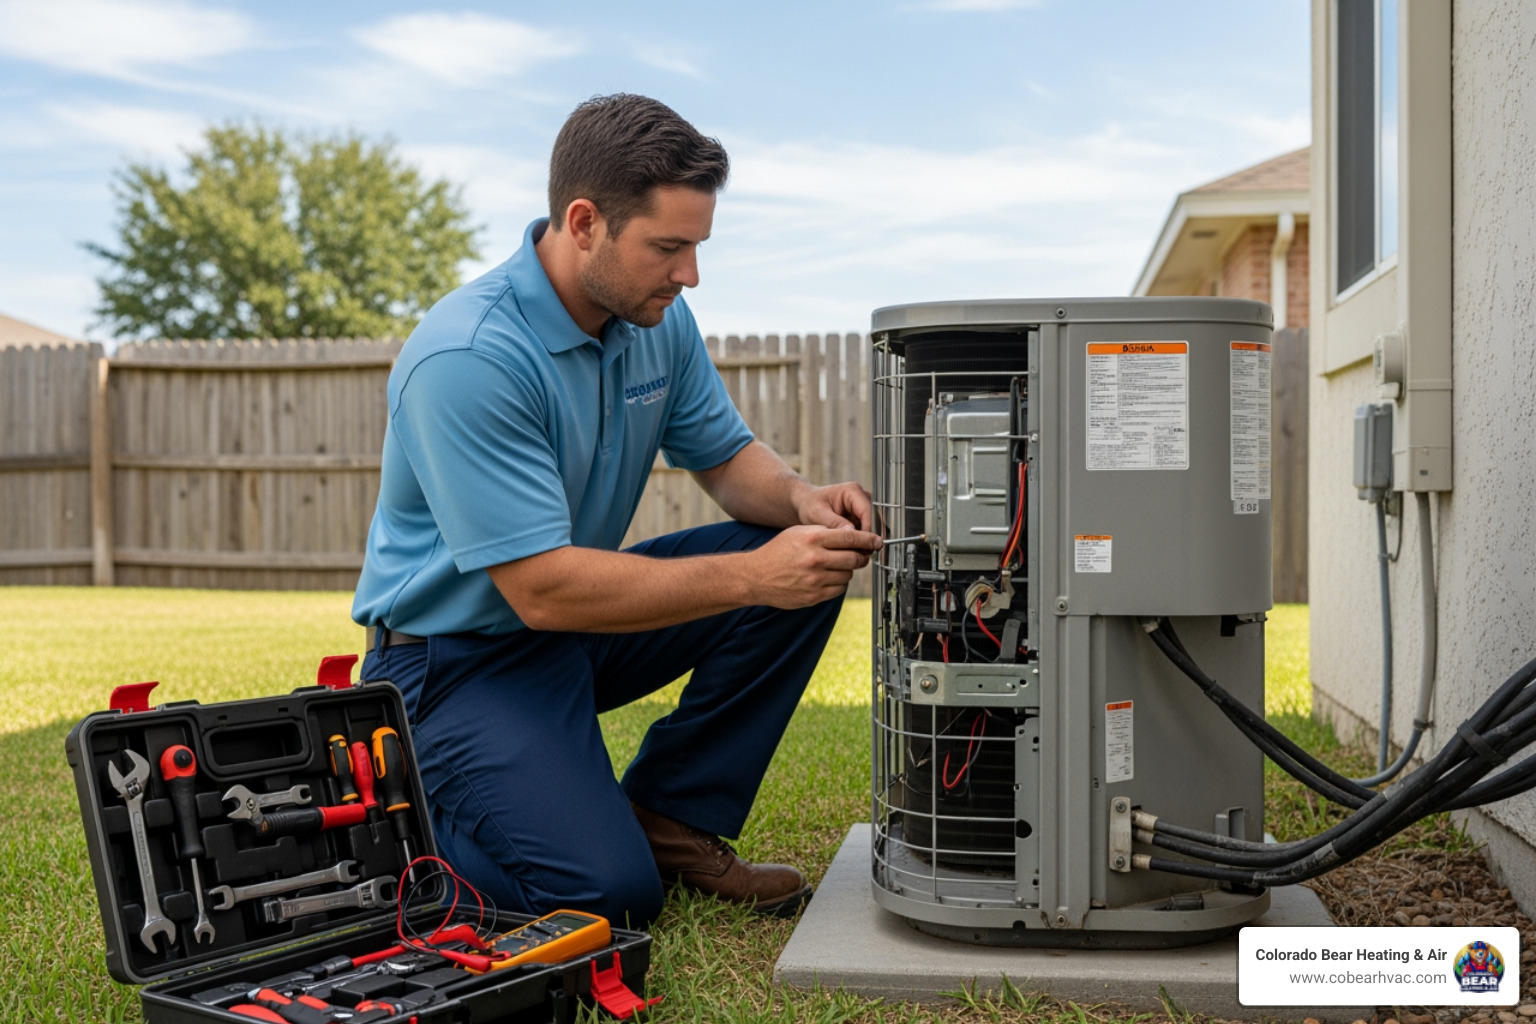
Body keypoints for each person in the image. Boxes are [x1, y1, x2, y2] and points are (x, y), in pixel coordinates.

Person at [352, 93, 881, 929]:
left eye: (697, 247)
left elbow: (726, 457)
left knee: (795, 556)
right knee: (606, 898)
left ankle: (668, 819)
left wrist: (798, 501)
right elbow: (541, 590)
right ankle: (395, 810)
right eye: (668, 248)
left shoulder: (653, 320)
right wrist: (752, 576)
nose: (689, 275)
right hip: (455, 663)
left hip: (572, 634)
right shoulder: (469, 356)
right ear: (586, 221)